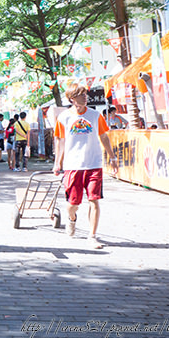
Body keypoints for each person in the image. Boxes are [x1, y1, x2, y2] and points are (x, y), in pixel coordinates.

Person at [53, 85, 118, 249]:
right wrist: (57, 162)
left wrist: (112, 157)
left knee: (94, 200)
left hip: (94, 163)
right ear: (72, 99)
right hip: (73, 165)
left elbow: (103, 136)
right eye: (81, 95)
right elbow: (60, 141)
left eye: (85, 94)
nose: (85, 97)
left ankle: (92, 236)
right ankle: (72, 218)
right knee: (73, 204)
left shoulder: (95, 115)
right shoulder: (63, 118)